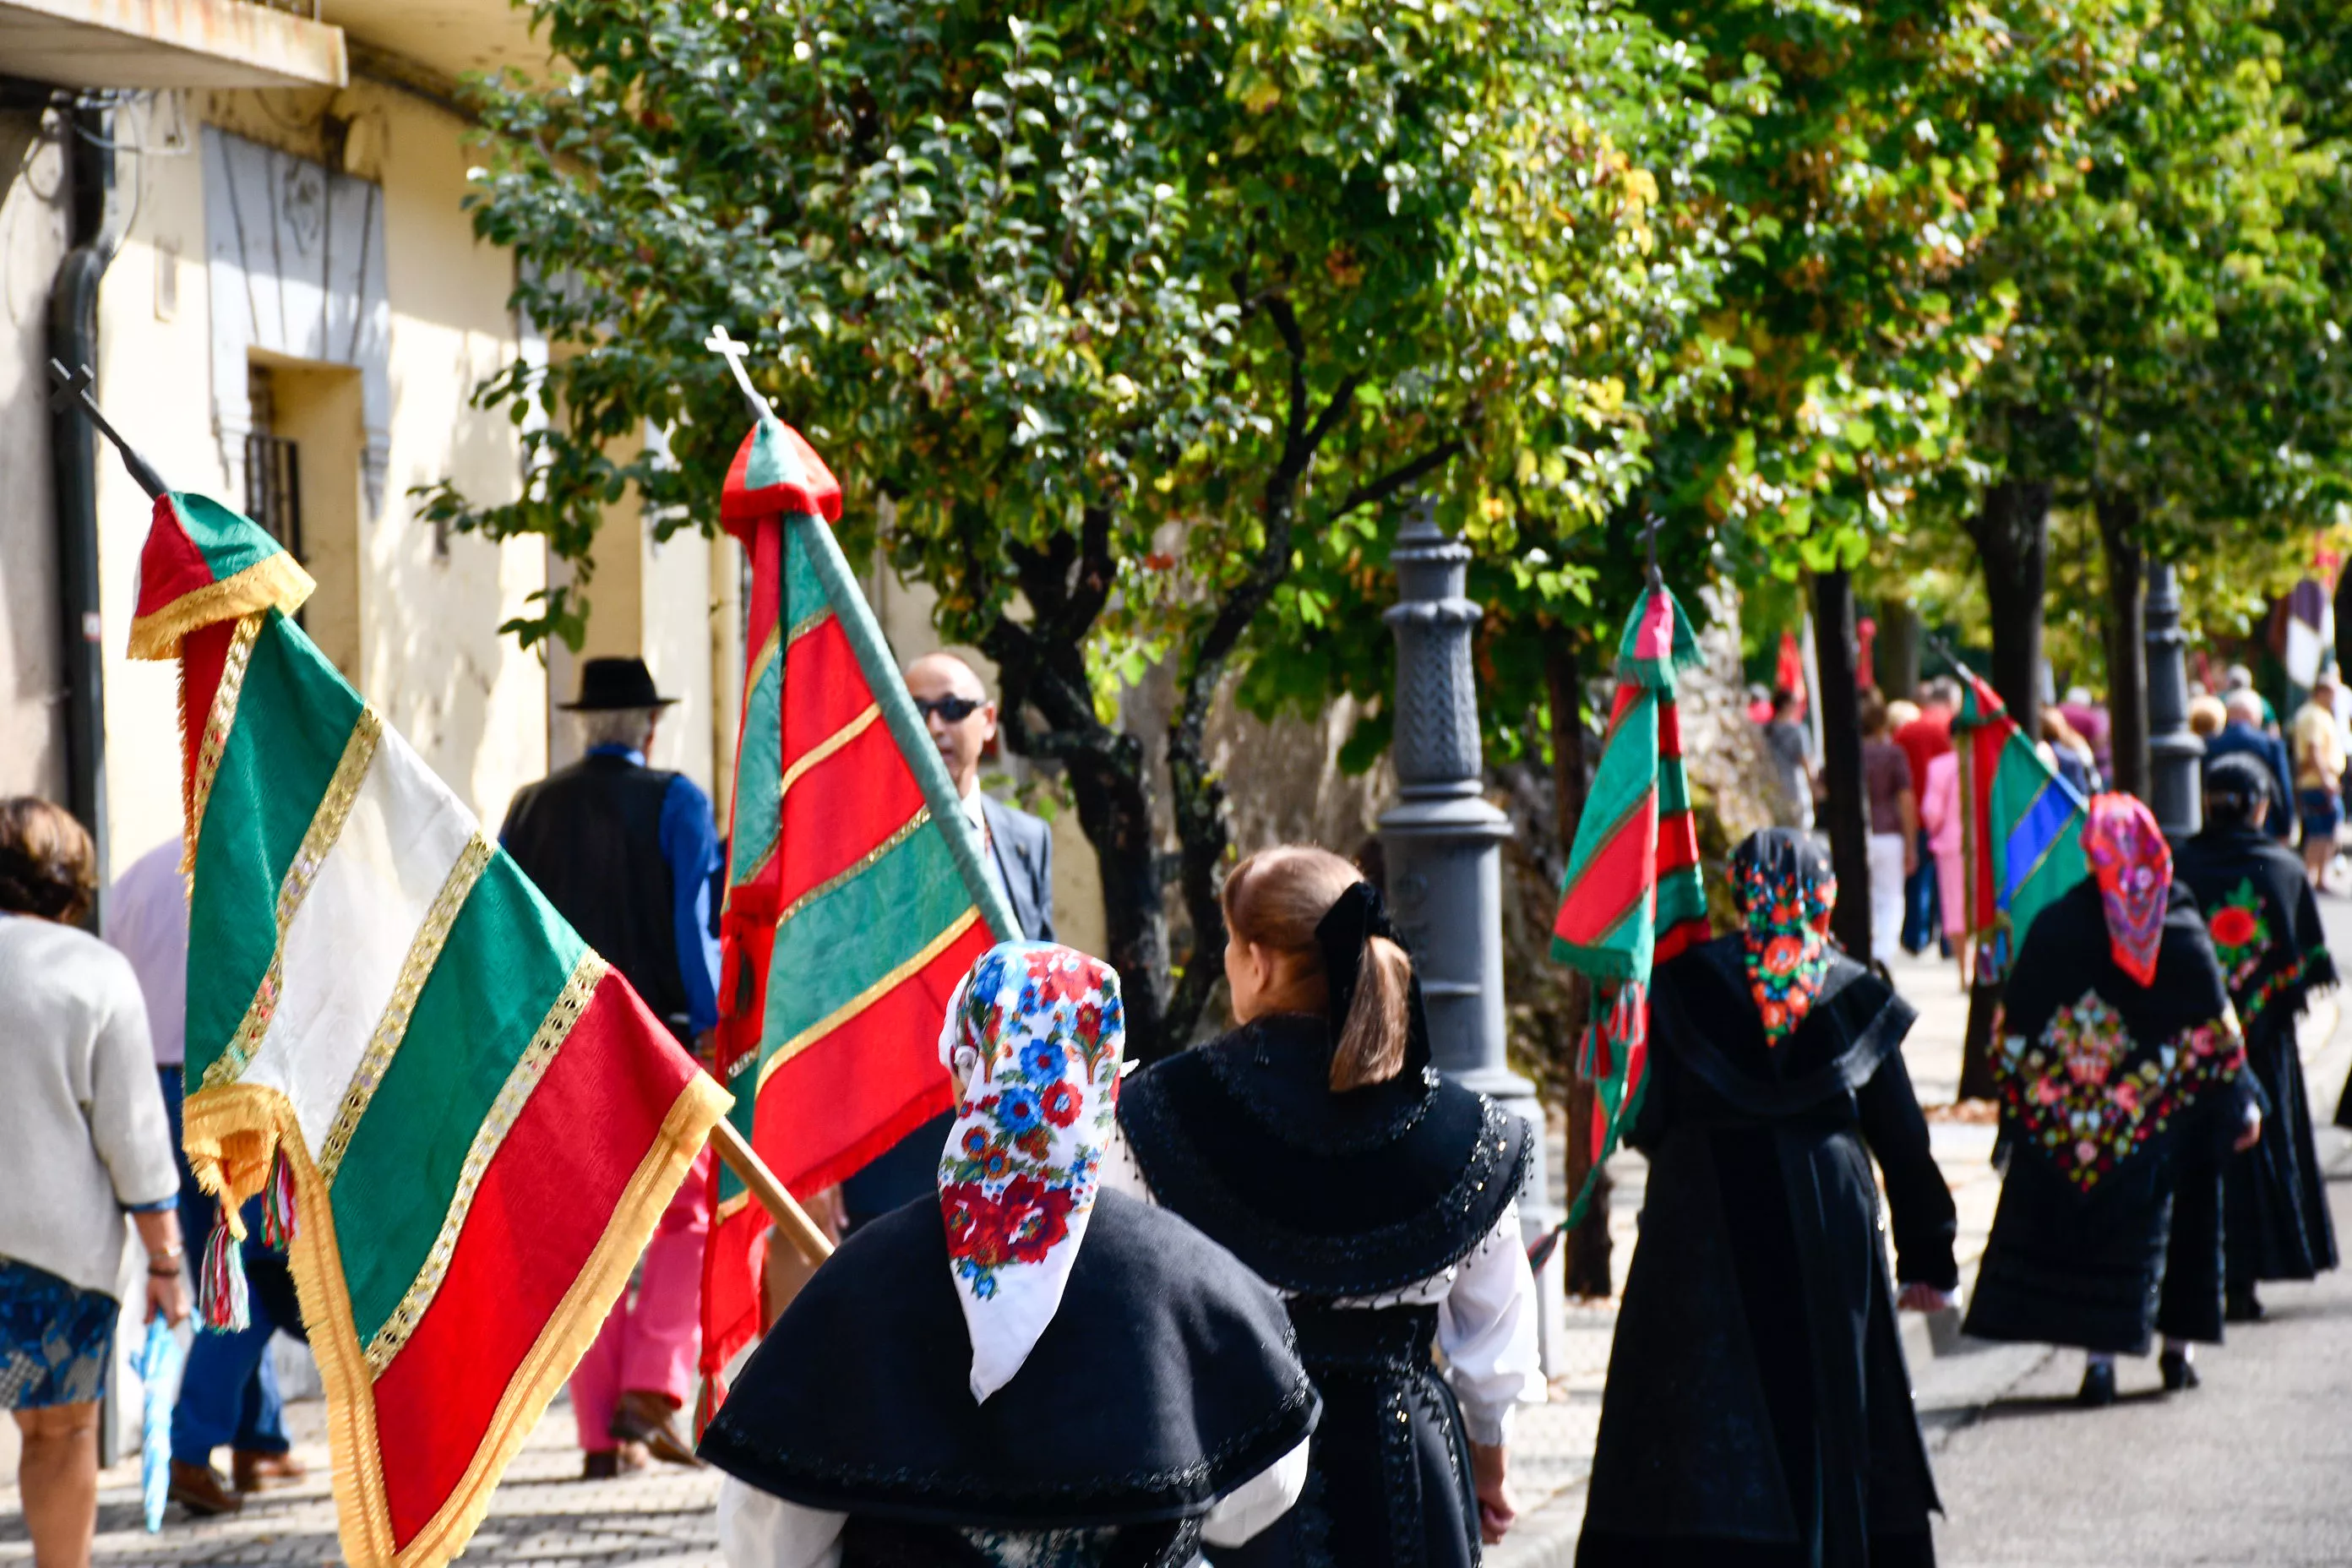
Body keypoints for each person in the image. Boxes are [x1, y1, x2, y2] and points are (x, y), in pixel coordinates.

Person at [702, 942, 1319, 1567]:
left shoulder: (859, 1285)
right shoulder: (1191, 1279)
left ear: (962, 1077)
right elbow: (1259, 1497)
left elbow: (768, 1543)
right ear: (1105, 1080)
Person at [1116, 846, 1544, 1567]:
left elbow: (1127, 1297)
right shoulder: (1464, 1131)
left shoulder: (1159, 1110)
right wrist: (1490, 1465)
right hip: (1408, 1468)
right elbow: (1495, 1330)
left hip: (1234, 1472)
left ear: (1257, 961)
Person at [1576, 831, 1957, 1567]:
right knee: (1822, 1395)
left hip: (1700, 1218)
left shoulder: (1679, 984)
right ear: (1827, 896)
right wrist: (1929, 1255)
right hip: (1828, 1221)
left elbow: (1648, 1120)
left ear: (1739, 891)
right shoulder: (1854, 989)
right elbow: (1904, 1141)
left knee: (1693, 1406)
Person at [1963, 795, 2262, 1405]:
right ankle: (2178, 1353)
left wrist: (2056, 1101)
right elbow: (2217, 1030)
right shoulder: (2178, 924)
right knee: (2186, 1226)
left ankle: (2099, 1363)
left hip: (2081, 1124)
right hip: (2170, 1117)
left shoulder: (2055, 924)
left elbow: (2013, 1032)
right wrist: (2240, 1101)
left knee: (2096, 1239)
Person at [501, 656, 722, 1476]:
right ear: (651, 728)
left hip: (556, 1040)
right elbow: (692, 927)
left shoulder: (530, 807)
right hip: (654, 1034)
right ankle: (657, 1383)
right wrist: (708, 1027)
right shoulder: (678, 800)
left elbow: (505, 925)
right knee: (685, 1212)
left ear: (585, 726)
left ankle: (602, 1434)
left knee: (584, 1232)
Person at [0, 798, 189, 1568]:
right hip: (60, 1257)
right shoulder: (94, 973)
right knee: (62, 1431)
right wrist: (167, 1264)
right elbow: (135, 1139)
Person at [106, 837, 307, 1516]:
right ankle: (193, 1447)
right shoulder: (254, 866)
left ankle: (259, 1439)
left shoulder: (135, 876)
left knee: (228, 1267)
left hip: (150, 1085)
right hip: (230, 1085)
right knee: (250, 1272)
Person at [837, 652, 1059, 1234]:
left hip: (1008, 1148)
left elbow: (1046, 981)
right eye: (916, 710)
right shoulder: (859, 851)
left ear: (988, 721)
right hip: (890, 1155)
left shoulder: (1027, 839)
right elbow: (833, 999)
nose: (935, 725)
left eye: (953, 709)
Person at [2175, 756, 2338, 1321]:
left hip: (2193, 1044)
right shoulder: (2283, 868)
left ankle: (2194, 1279)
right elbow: (2304, 965)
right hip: (2265, 1048)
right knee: (2260, 1153)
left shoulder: (2181, 864)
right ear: (2262, 806)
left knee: (2198, 1160)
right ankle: (2244, 1281)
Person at [1894, 680, 1956, 956]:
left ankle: (1915, 938)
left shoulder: (1907, 730)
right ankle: (1947, 941)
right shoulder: (1951, 730)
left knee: (1917, 881)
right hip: (1950, 821)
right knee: (1949, 886)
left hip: (1913, 816)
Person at [1860, 690, 1919, 972]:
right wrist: (1911, 843)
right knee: (1891, 898)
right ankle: (1882, 954)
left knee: (1868, 898)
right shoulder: (1892, 754)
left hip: (1860, 834)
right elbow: (1905, 799)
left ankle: (1871, 951)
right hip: (1888, 833)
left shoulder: (1846, 753)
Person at [2205, 690, 2296, 843]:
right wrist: (2285, 828)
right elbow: (2283, 789)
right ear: (2256, 716)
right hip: (2264, 828)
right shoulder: (2271, 745)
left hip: (2219, 830)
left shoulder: (2211, 744)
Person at [2290, 675, 2345, 885]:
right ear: (2321, 692)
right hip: (2317, 781)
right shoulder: (2313, 715)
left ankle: (2320, 877)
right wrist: (2326, 780)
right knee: (2319, 832)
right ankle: (2312, 877)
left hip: (2320, 779)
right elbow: (2314, 750)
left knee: (2326, 830)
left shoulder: (2319, 714)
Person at [1919, 748, 1968, 984]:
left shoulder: (1940, 766)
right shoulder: (1986, 760)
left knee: (1956, 908)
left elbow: (1932, 810)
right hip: (1986, 844)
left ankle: (1963, 972)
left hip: (1951, 845)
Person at [1763, 687, 1816, 831]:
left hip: (1771, 788)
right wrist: (1815, 785)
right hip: (1795, 787)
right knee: (1802, 831)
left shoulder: (1765, 730)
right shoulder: (1798, 731)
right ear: (1787, 705)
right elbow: (1806, 762)